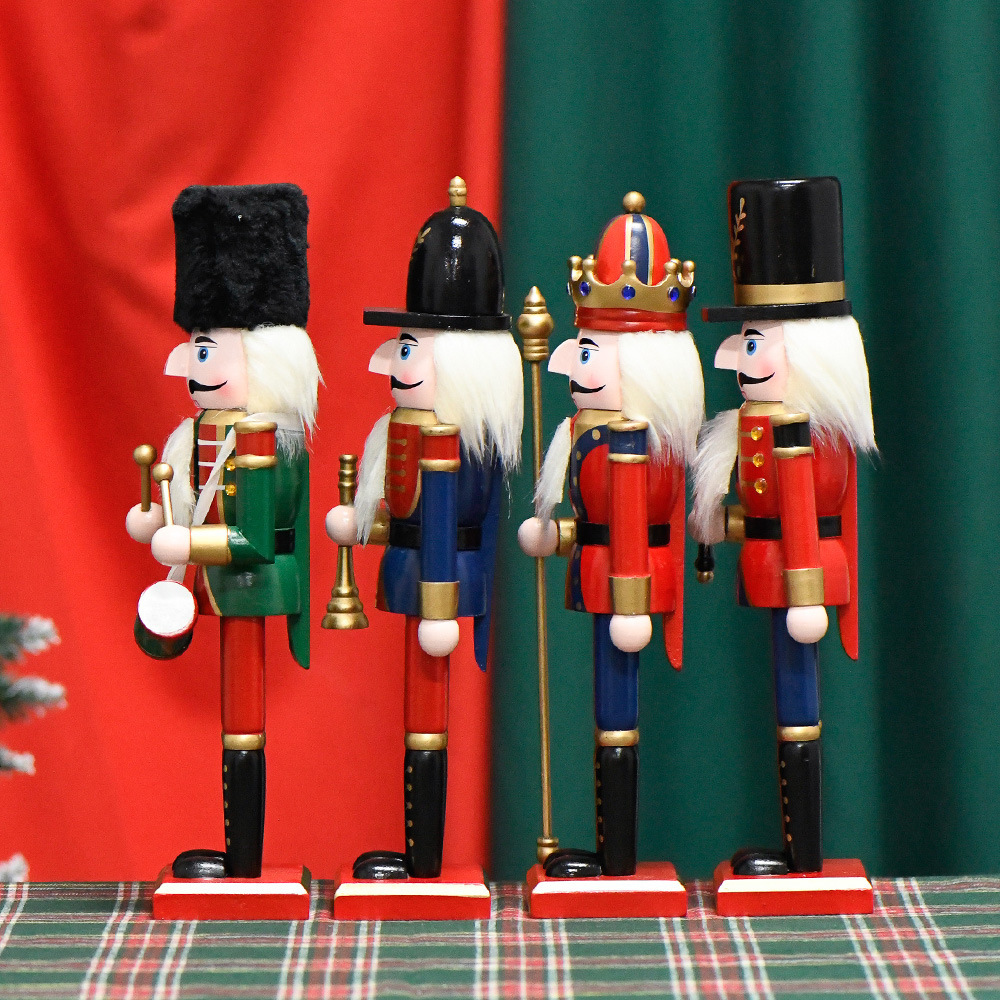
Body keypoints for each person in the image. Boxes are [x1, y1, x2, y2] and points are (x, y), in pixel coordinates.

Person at [325, 177, 522, 880]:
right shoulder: (399, 431)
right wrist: (364, 522)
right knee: (414, 716)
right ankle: (418, 857)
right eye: (401, 347)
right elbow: (403, 506)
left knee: (429, 717)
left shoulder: (464, 441)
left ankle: (426, 859)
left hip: (445, 580)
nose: (396, 364)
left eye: (413, 348)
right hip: (411, 572)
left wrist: (441, 603)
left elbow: (454, 517)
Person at [126, 183, 319, 879]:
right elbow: (188, 498)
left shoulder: (264, 441)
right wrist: (157, 516)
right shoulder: (197, 431)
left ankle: (245, 861)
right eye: (194, 348)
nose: (190, 366)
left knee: (243, 716)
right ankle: (239, 858)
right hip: (215, 583)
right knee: (231, 715)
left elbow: (255, 539)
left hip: (249, 583)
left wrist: (185, 545)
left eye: (207, 350)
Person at [690, 176, 876, 877]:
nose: (740, 357)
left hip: (804, 573)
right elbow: (765, 502)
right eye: (745, 338)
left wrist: (803, 590)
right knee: (785, 704)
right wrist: (722, 519)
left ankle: (804, 854)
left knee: (800, 706)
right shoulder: (754, 425)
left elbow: (801, 505)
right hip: (773, 567)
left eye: (756, 340)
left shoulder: (809, 431)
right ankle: (798, 850)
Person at [519, 192, 703, 878]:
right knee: (603, 712)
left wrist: (630, 602)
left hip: (629, 582)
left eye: (590, 352)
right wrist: (557, 532)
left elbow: (630, 520)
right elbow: (587, 513)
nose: (574, 366)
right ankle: (607, 852)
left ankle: (617, 856)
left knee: (617, 715)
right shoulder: (582, 431)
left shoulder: (636, 442)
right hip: (598, 573)